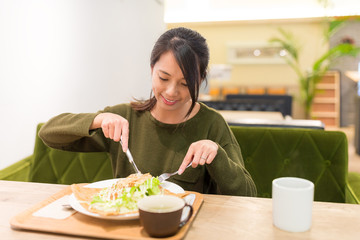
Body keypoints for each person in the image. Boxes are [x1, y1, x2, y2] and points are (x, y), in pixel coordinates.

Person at [39, 27, 257, 196]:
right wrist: (97, 119)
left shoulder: (212, 124)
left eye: (185, 83)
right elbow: (48, 134)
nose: (171, 92)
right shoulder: (126, 118)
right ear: (152, 69)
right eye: (163, 78)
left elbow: (248, 195)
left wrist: (216, 155)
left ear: (200, 79)